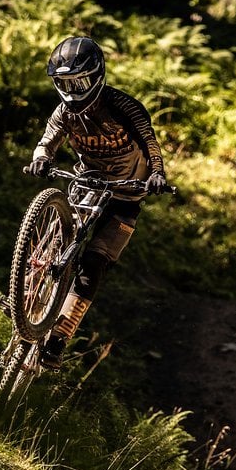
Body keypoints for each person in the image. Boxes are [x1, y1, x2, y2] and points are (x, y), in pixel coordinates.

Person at [24, 36, 169, 369]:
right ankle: (25, 297)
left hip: (128, 195)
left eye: (80, 82)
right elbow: (46, 142)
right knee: (56, 238)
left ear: (98, 75)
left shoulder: (124, 106)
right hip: (87, 184)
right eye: (64, 83)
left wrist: (157, 175)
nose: (73, 90)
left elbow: (151, 145)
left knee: (93, 265)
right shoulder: (64, 111)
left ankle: (57, 341)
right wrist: (41, 159)